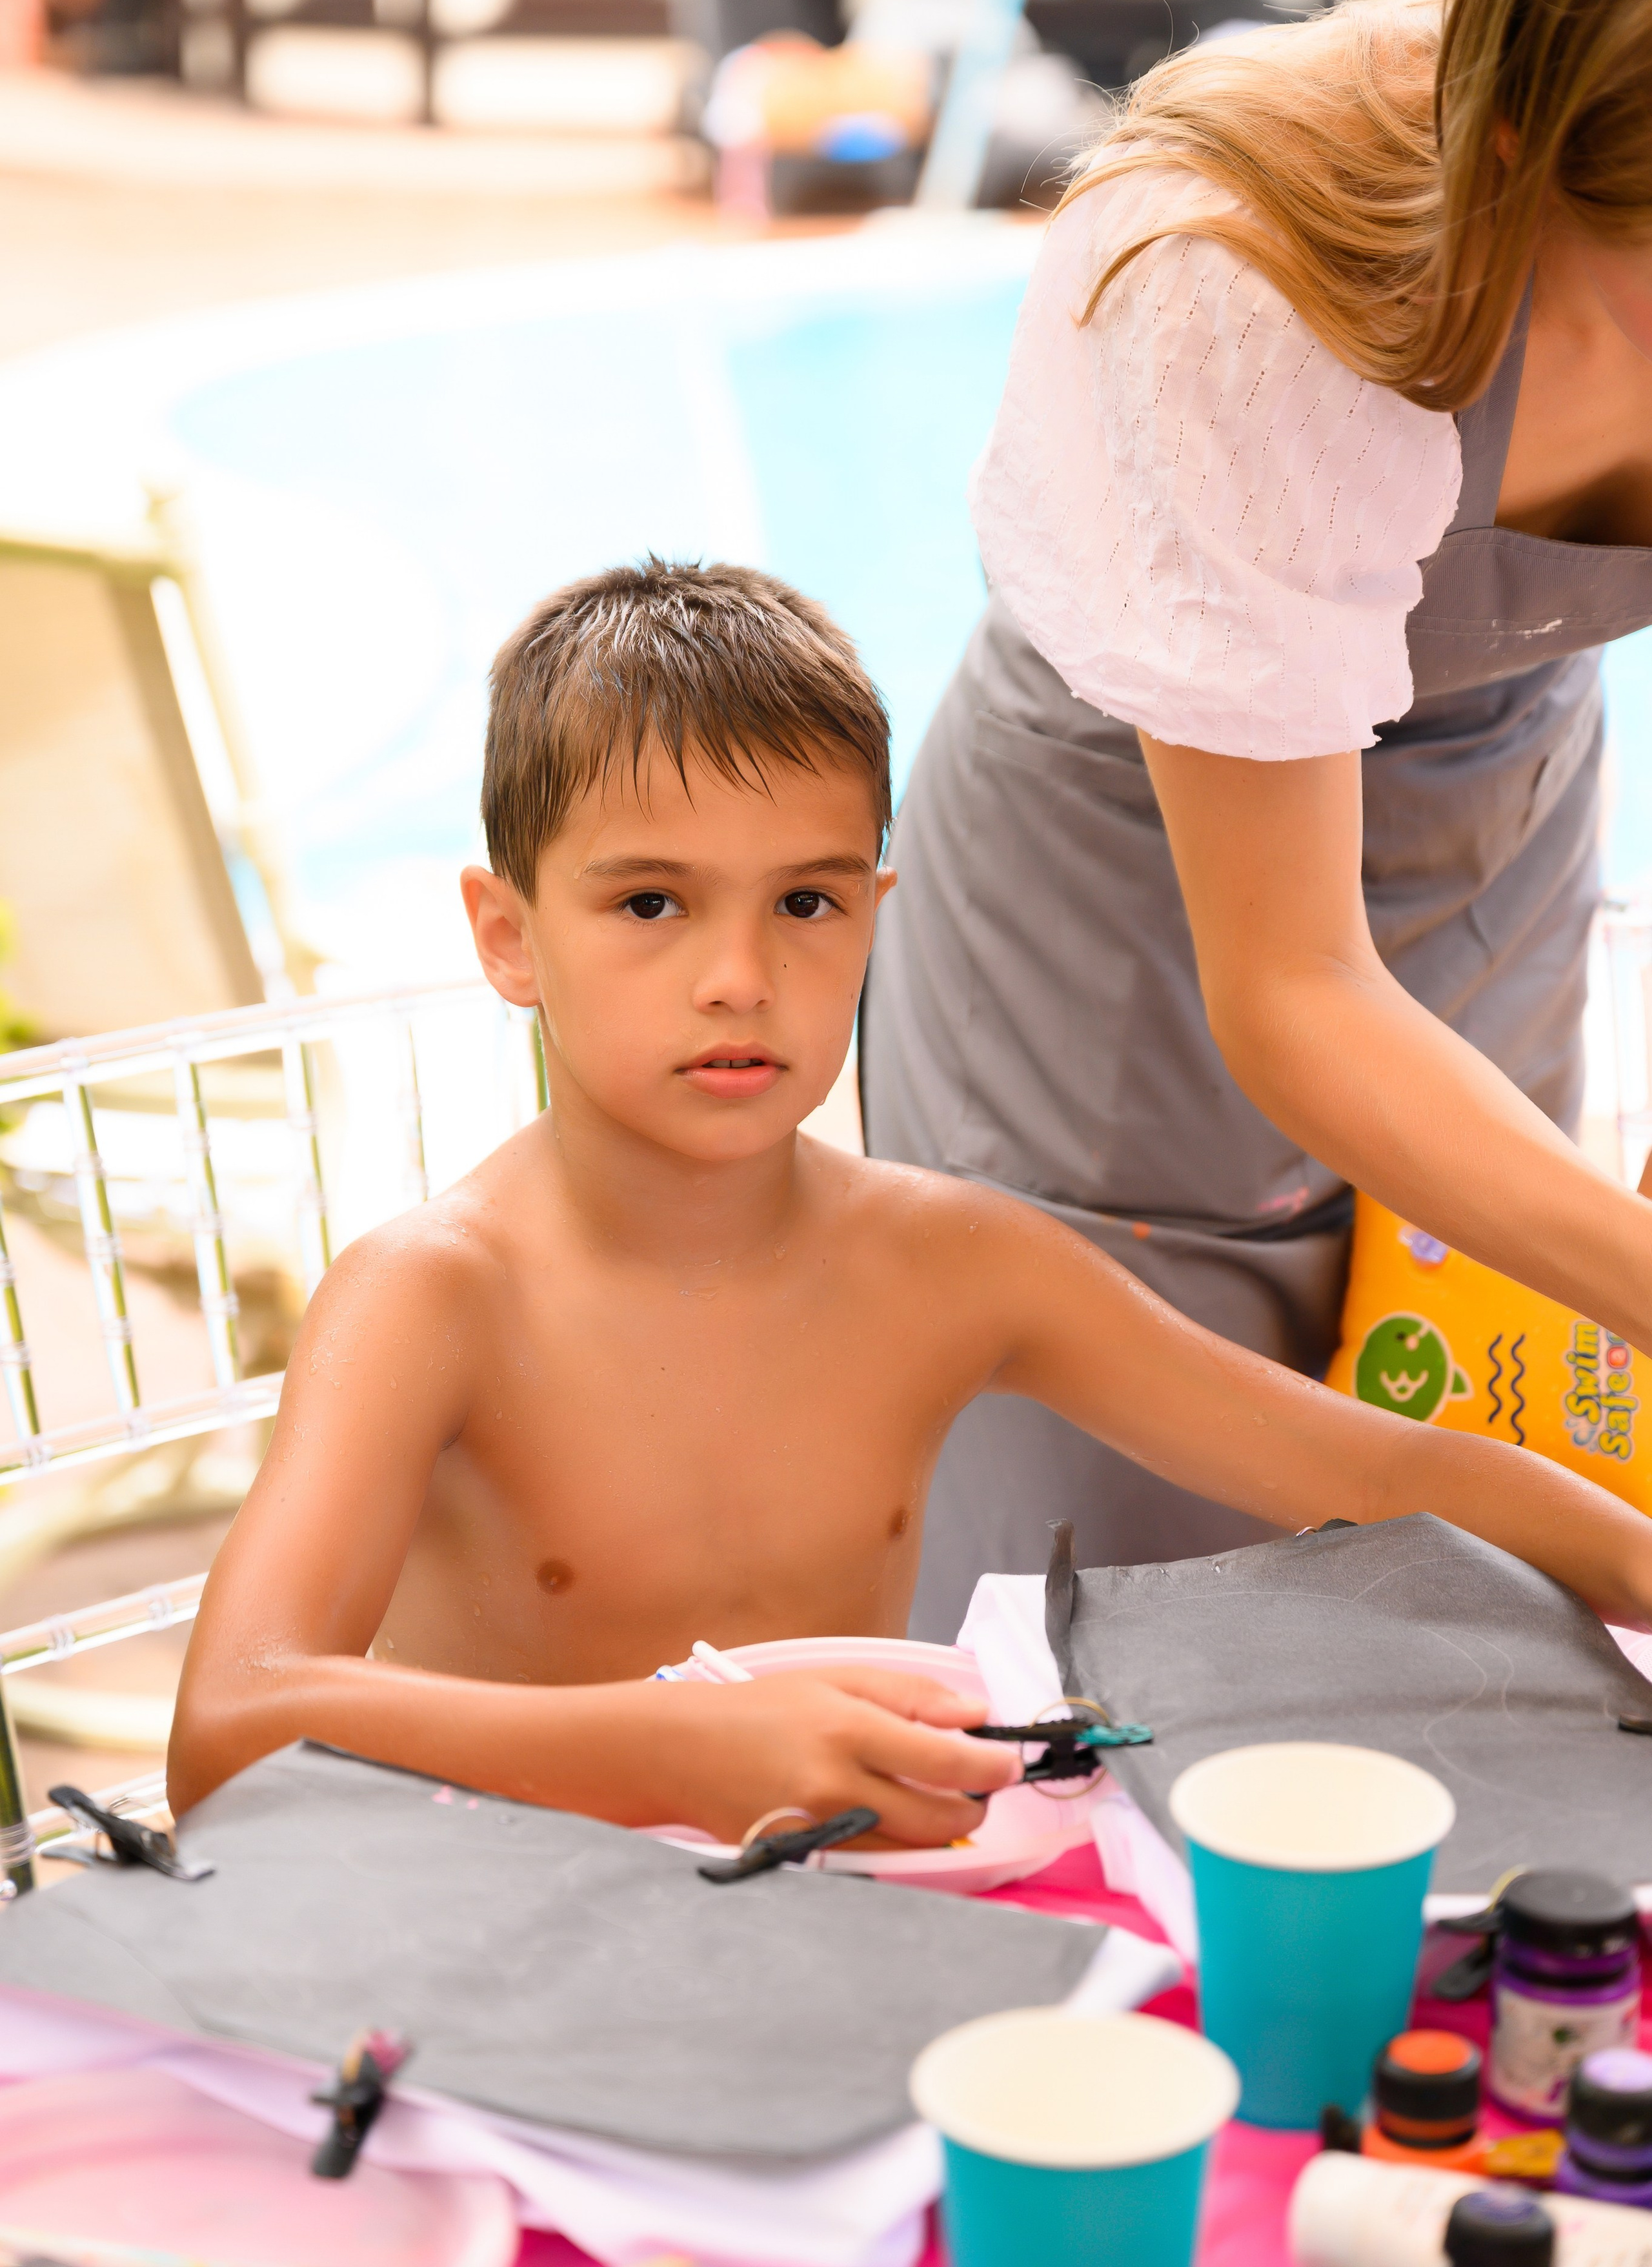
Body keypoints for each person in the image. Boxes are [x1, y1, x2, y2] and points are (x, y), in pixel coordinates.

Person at [171, 560, 1652, 1842]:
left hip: (859, 1904)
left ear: (879, 918)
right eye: (648, 904)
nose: (738, 974)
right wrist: (673, 1743)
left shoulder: (953, 1260)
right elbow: (228, 1728)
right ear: (507, 933)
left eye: (803, 903)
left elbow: (1373, 1469)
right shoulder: (434, 1296)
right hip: (509, 1937)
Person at [861, 0, 1652, 1642]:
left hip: (1489, 834)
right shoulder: (1237, 271)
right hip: (1120, 915)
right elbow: (1291, 982)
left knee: (1461, 1548)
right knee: (1112, 1608)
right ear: (1527, 163)